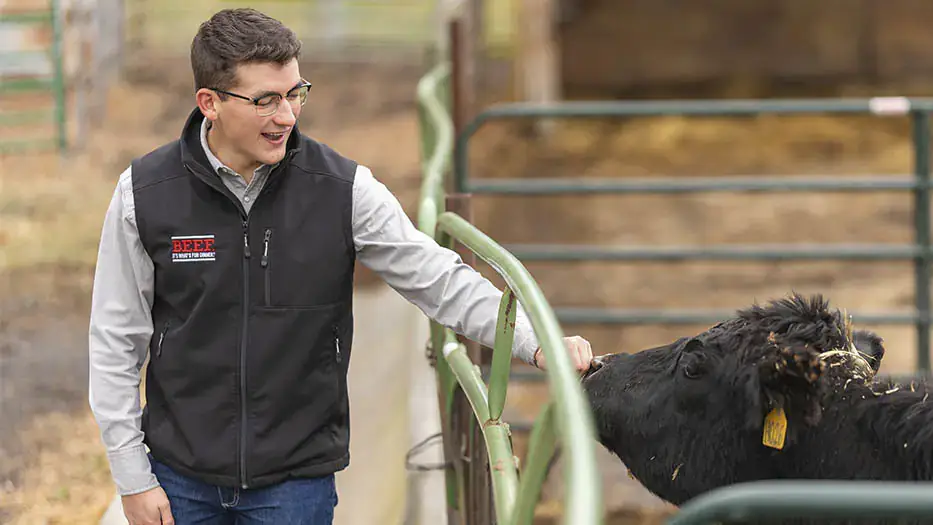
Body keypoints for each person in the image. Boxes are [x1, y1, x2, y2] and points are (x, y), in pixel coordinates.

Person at [87, 8, 594, 525]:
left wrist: (536, 340)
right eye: (266, 100)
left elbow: (438, 279)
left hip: (295, 485)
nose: (287, 115)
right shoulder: (145, 195)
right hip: (179, 481)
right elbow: (115, 339)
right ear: (209, 103)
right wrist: (132, 478)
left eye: (295, 93)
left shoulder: (343, 191)